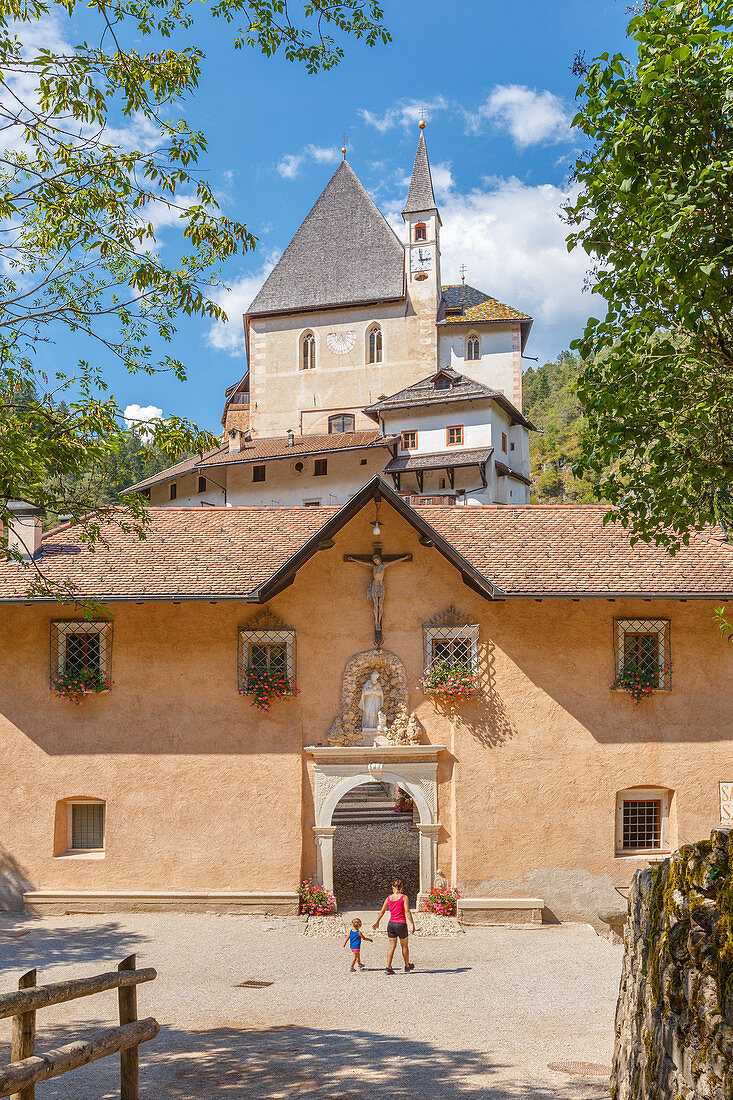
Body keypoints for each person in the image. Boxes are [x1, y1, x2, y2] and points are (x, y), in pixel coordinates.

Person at [373, 878, 416, 973]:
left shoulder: (388, 898)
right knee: (404, 946)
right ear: (402, 887)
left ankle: (388, 967)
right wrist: (413, 924)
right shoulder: (404, 897)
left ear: (393, 887)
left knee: (391, 946)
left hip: (391, 924)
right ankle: (407, 965)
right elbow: (407, 911)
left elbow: (382, 912)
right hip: (401, 924)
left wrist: (377, 922)